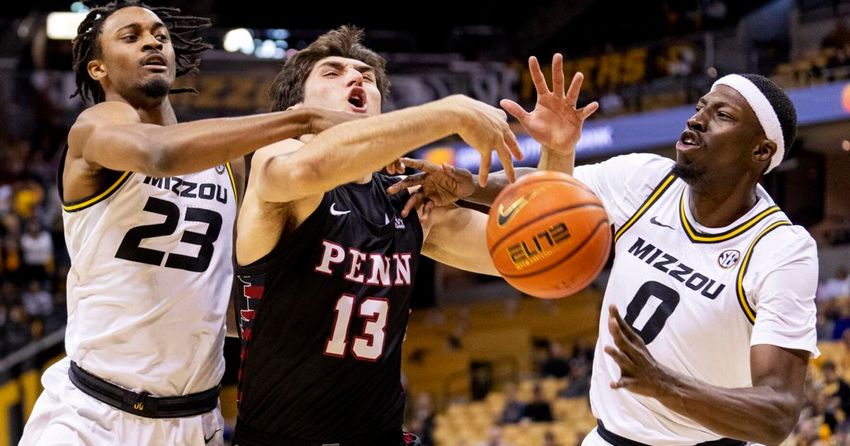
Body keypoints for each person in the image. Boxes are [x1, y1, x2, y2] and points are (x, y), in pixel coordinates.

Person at [396, 59, 819, 445]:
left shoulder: (781, 249)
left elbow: (777, 412)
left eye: (721, 115)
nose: (697, 120)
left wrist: (663, 384)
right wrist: (468, 185)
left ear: (760, 152)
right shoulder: (648, 178)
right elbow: (553, 195)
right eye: (700, 107)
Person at [19, 2, 358, 445]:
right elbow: (160, 155)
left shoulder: (225, 163)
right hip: (90, 416)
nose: (152, 41)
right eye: (131, 36)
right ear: (97, 68)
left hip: (195, 421)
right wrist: (302, 118)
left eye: (160, 34)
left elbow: (226, 298)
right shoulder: (96, 128)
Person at [231, 25, 537, 445]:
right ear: (297, 105)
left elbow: (529, 254)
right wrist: (449, 112)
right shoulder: (276, 160)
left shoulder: (406, 200)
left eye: (366, 76)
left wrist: (558, 150)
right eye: (332, 73)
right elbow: (310, 169)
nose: (355, 78)